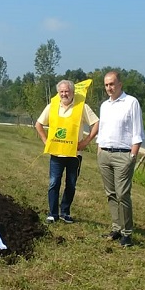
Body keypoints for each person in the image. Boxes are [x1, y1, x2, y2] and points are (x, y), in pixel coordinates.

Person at [35, 79, 99, 224]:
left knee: (71, 184)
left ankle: (65, 212)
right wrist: (46, 141)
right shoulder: (52, 106)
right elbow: (38, 124)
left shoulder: (82, 106)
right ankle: (52, 213)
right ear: (58, 92)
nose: (64, 94)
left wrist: (86, 142)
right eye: (62, 91)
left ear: (72, 92)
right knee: (53, 183)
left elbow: (96, 123)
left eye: (67, 91)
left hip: (75, 155)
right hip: (57, 154)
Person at [96, 71, 143, 247]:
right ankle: (116, 228)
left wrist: (133, 155)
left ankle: (127, 233)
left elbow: (137, 132)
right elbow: (103, 130)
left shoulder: (131, 103)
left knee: (123, 194)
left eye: (112, 84)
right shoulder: (104, 105)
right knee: (111, 193)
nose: (109, 87)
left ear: (120, 84)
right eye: (107, 84)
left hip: (123, 155)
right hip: (105, 154)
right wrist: (99, 149)